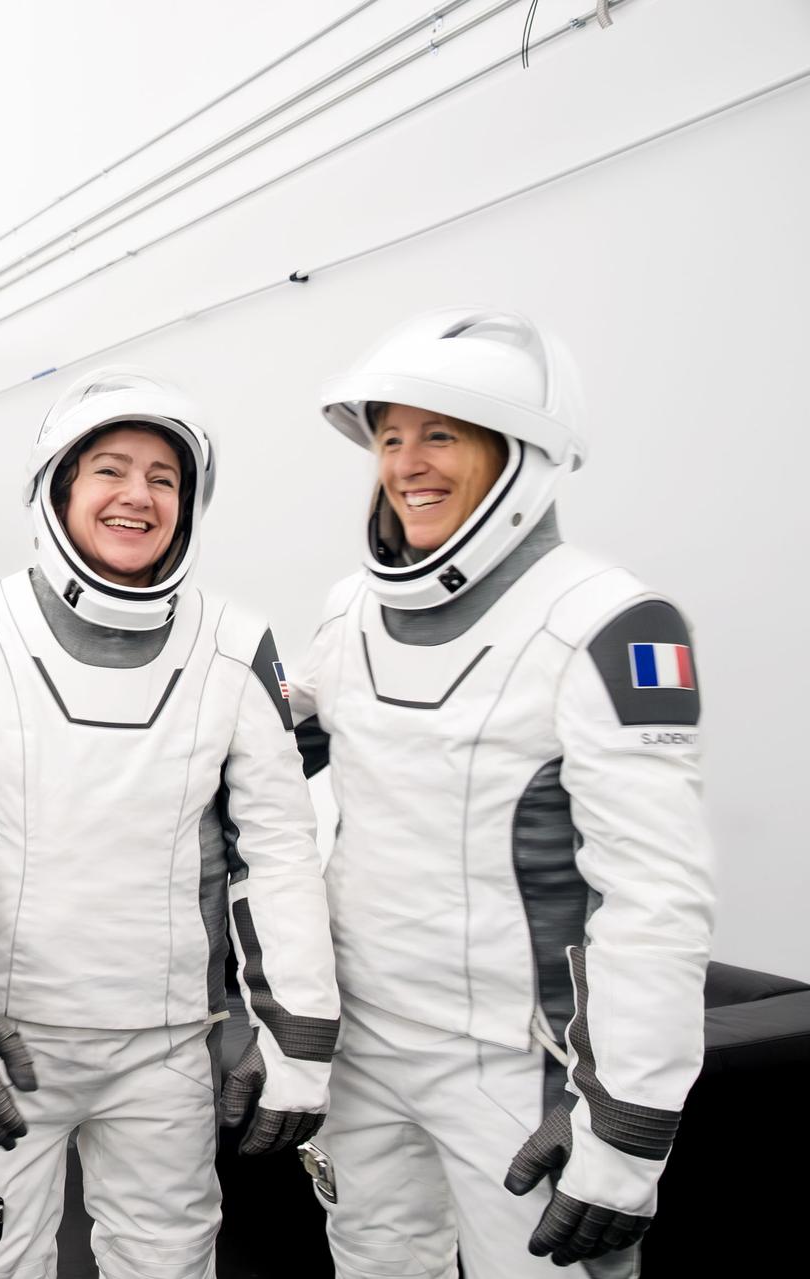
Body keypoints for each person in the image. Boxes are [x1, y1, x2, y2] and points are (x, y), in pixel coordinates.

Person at [0, 368, 340, 1279]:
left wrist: (298, 1039)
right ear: (59, 487)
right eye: (110, 469)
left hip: (167, 1049)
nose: (138, 495)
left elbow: (277, 851)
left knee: (169, 1265)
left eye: (164, 479)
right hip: (9, 1042)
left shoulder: (234, 642)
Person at [288, 307, 713, 1276]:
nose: (408, 463)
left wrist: (629, 1129)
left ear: (522, 453)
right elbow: (298, 735)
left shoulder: (611, 621)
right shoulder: (350, 606)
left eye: (440, 432)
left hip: (520, 1074)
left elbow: (655, 897)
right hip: (364, 1053)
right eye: (391, 438)